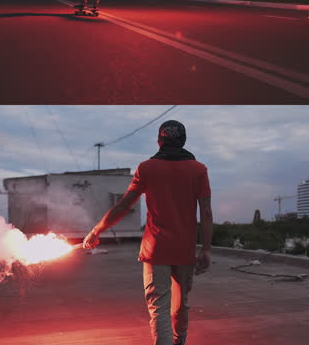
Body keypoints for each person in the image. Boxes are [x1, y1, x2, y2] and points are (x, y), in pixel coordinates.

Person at [83, 120, 212, 345]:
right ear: (183, 141)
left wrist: (97, 231)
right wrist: (207, 250)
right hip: (184, 251)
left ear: (159, 141)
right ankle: (179, 340)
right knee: (180, 306)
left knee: (159, 309)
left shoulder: (147, 168)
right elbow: (206, 212)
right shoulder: (198, 170)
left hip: (155, 251)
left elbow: (123, 205)